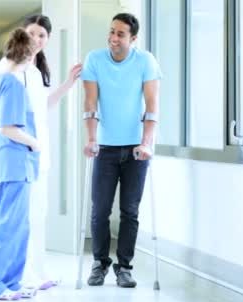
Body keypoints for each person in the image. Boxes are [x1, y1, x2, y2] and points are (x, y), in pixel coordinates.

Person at [0, 15, 83, 291]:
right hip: (21, 149)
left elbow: (44, 104)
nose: (36, 40)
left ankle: (38, 271)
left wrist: (69, 83)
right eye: (32, 34)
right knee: (23, 215)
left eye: (42, 36)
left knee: (39, 212)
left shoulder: (36, 70)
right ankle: (21, 274)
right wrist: (30, 142)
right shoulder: (10, 68)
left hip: (37, 149)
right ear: (22, 35)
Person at [81, 13, 162, 288]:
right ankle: (99, 262)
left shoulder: (145, 61)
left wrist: (147, 143)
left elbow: (152, 105)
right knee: (100, 209)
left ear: (133, 39)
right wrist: (91, 138)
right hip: (105, 147)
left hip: (136, 149)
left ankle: (124, 267)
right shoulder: (95, 59)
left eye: (121, 34)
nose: (113, 39)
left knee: (130, 210)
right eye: (111, 32)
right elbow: (90, 102)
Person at [0, 28, 39, 301]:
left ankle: (11, 282)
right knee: (6, 226)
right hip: (14, 164)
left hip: (13, 165)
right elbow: (8, 128)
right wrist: (35, 143)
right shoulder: (11, 84)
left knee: (19, 226)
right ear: (28, 56)